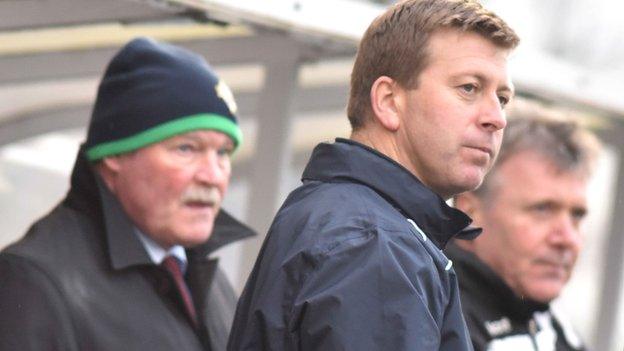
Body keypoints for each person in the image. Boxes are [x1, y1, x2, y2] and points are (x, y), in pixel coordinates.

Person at [228, 0, 519, 349]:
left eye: (501, 98)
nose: (496, 118)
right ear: (388, 101)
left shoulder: (352, 220)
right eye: (469, 88)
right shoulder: (373, 243)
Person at [0, 37, 255, 351]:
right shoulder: (35, 282)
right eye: (186, 148)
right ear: (115, 154)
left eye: (223, 153)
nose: (213, 176)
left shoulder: (204, 278)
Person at [446, 112, 601, 350]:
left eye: (577, 216)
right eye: (542, 209)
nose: (567, 238)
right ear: (470, 211)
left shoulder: (552, 321)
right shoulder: (429, 313)